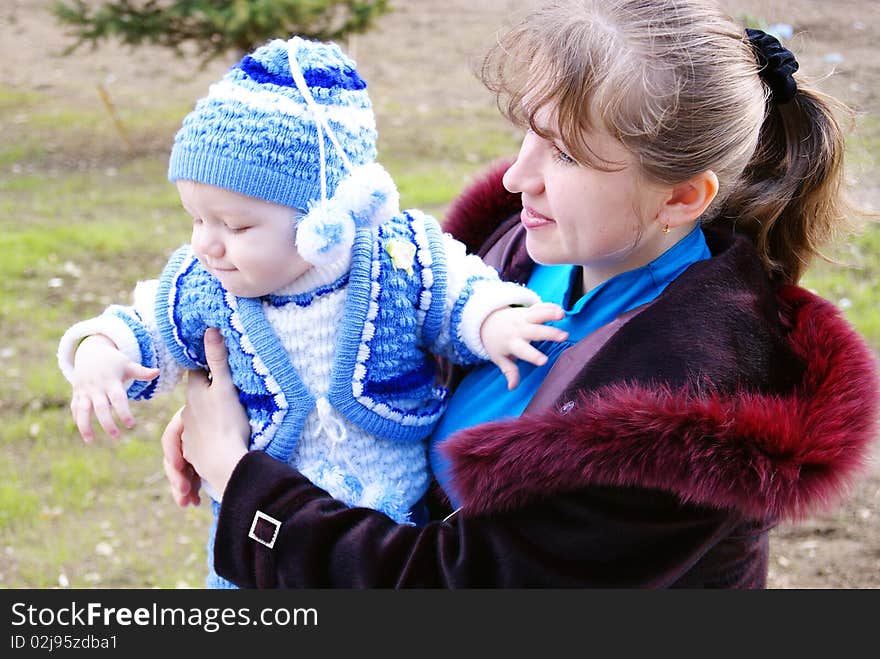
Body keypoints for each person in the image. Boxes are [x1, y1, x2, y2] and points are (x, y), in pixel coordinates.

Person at [162, 0, 880, 588]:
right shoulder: (520, 250)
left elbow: (447, 586)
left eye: (564, 153)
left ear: (683, 196)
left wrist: (245, 482)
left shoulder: (691, 416)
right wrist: (272, 415)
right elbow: (397, 360)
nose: (516, 177)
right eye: (525, 135)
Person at [56, 36, 568, 588]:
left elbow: (461, 292)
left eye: (236, 225)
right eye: (196, 219)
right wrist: (98, 353)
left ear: (325, 216)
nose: (207, 243)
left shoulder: (397, 255)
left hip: (388, 518)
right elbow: (140, 326)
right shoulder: (204, 286)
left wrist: (495, 321)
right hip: (257, 544)